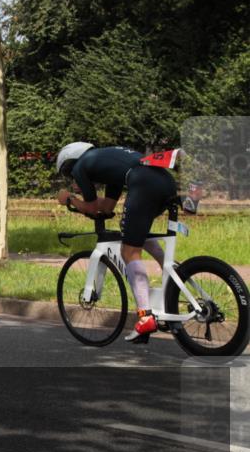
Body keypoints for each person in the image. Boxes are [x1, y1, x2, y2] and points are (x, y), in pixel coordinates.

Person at [54, 142, 177, 344]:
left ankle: (146, 316)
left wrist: (69, 199)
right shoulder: (108, 165)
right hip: (164, 182)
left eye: (69, 174)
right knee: (137, 235)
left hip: (144, 183)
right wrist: (84, 202)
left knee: (128, 251)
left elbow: (93, 208)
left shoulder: (81, 166)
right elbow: (107, 206)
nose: (73, 178)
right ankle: (175, 273)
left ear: (70, 163)